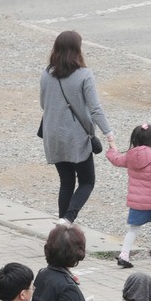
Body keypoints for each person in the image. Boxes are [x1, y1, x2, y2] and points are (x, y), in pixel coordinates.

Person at [39, 28, 114, 222]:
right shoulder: (84, 75)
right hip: (75, 137)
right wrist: (109, 134)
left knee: (66, 182)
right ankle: (68, 219)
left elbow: (43, 104)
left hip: (52, 135)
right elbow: (95, 109)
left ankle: (61, 230)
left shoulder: (47, 74)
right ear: (77, 50)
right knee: (87, 181)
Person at [108, 123, 151, 267]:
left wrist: (111, 150)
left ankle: (124, 254)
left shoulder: (130, 155)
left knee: (134, 229)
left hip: (137, 203)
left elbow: (116, 160)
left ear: (135, 140)